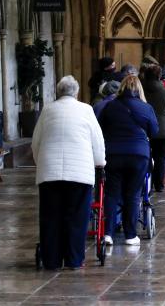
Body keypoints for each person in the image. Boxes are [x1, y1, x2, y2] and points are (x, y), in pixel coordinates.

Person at [31, 76, 105, 270]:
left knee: (50, 217)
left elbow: (36, 142)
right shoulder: (86, 110)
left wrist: (41, 162)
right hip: (80, 173)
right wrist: (100, 163)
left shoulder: (47, 110)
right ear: (77, 92)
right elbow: (97, 141)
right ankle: (73, 259)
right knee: (77, 217)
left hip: (49, 173)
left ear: (58, 92)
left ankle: (52, 260)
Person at [98, 74, 158, 246]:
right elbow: (154, 131)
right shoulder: (146, 108)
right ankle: (130, 235)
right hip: (138, 155)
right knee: (133, 194)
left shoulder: (110, 106)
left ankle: (108, 233)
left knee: (111, 193)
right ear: (139, 89)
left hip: (113, 154)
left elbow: (100, 128)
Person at [141, 64, 165, 192]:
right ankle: (159, 184)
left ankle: (146, 185)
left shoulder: (141, 91)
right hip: (163, 129)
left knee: (145, 157)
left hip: (144, 128)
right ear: (159, 76)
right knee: (161, 158)